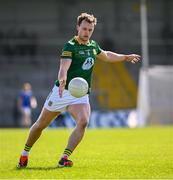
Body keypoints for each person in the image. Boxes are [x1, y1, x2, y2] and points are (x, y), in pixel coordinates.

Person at [17, 13, 140, 168]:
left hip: (80, 94)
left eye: (90, 29)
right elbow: (64, 67)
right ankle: (25, 154)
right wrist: (62, 80)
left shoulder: (93, 46)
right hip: (62, 91)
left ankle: (64, 157)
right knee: (40, 125)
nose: (86, 32)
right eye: (84, 29)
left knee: (83, 122)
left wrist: (124, 57)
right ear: (77, 27)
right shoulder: (70, 45)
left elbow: (107, 56)